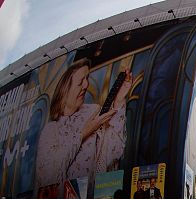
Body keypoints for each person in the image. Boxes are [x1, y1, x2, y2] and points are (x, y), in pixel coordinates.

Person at [35, 60, 131, 188]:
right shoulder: (50, 131)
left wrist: (118, 100)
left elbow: (114, 152)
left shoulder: (94, 111)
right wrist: (85, 132)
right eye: (80, 82)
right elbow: (48, 176)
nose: (86, 85)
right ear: (65, 89)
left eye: (87, 79)